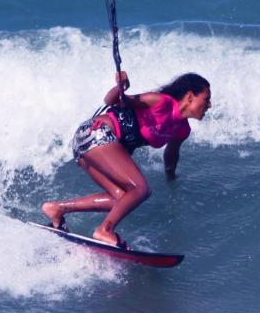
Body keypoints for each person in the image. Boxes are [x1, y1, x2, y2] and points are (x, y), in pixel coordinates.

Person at [41, 71, 211, 249]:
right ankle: (105, 229)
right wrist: (121, 86)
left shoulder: (182, 129)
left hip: (94, 145)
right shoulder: (161, 102)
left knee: (122, 199)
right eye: (206, 99)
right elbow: (112, 100)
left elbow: (172, 155)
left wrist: (172, 179)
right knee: (141, 189)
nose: (210, 105)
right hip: (95, 133)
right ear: (190, 96)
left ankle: (58, 209)